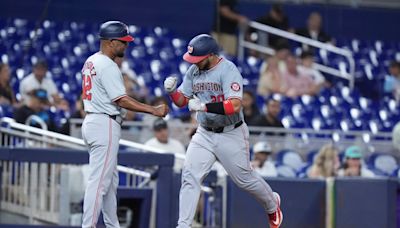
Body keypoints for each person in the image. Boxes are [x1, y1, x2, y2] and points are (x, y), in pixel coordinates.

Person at [163, 34, 282, 228]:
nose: (194, 62)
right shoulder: (194, 71)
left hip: (230, 132)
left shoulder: (228, 70)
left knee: (244, 179)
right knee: (190, 175)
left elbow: (235, 105)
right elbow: (183, 102)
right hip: (204, 132)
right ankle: (183, 225)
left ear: (210, 55)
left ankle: (271, 204)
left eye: (198, 58)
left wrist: (204, 106)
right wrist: (172, 92)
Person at [80, 21, 168, 228]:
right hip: (104, 123)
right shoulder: (107, 64)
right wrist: (153, 110)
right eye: (123, 42)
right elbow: (121, 99)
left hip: (94, 120)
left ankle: (113, 226)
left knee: (109, 183)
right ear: (111, 42)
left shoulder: (91, 60)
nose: (126, 46)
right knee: (100, 183)